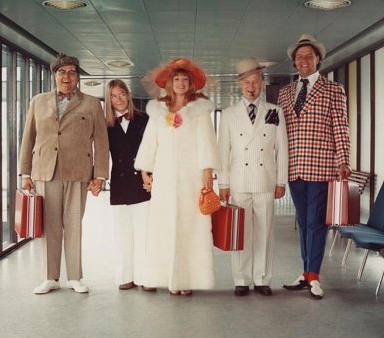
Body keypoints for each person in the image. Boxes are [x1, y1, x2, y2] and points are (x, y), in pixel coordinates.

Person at [19, 53, 109, 294]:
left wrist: (100, 176)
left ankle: (75, 277)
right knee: (50, 226)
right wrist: (24, 172)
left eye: (71, 72)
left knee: (73, 224)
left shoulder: (91, 104)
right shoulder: (38, 101)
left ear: (78, 77)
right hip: (45, 171)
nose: (66, 77)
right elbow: (28, 137)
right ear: (54, 75)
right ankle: (50, 277)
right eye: (62, 72)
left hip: (78, 171)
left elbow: (101, 141)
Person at [135, 58, 220, 296]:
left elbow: (206, 142)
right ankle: (158, 275)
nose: (181, 83)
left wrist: (207, 172)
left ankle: (185, 280)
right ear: (169, 84)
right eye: (177, 79)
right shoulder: (158, 109)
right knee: (161, 225)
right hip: (164, 177)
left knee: (189, 227)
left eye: (185, 79)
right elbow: (150, 141)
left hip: (191, 178)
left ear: (191, 84)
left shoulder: (199, 110)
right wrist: (145, 169)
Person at [278, 34, 351, 299]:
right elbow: (280, 132)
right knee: (303, 220)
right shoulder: (285, 92)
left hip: (320, 166)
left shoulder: (333, 90)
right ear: (294, 62)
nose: (304, 60)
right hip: (294, 168)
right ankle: (306, 272)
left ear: (318, 59)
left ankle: (315, 276)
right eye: (300, 57)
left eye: (309, 56)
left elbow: (340, 127)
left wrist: (343, 160)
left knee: (316, 222)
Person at [217, 57, 288, 297]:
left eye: (256, 81)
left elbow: (282, 148)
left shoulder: (274, 111)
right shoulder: (228, 114)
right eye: (247, 82)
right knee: (241, 232)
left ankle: (262, 279)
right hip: (238, 182)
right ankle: (241, 279)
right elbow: (223, 151)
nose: (251, 86)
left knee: (265, 233)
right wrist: (223, 183)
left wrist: (281, 181)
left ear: (262, 83)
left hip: (266, 181)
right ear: (239, 84)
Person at [104, 79, 154, 292]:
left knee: (144, 232)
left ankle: (147, 277)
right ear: (109, 100)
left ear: (129, 94)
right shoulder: (105, 123)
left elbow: (154, 149)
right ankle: (125, 275)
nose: (118, 100)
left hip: (142, 182)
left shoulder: (144, 118)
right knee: (122, 233)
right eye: (113, 96)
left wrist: (151, 175)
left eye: (122, 94)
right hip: (119, 183)